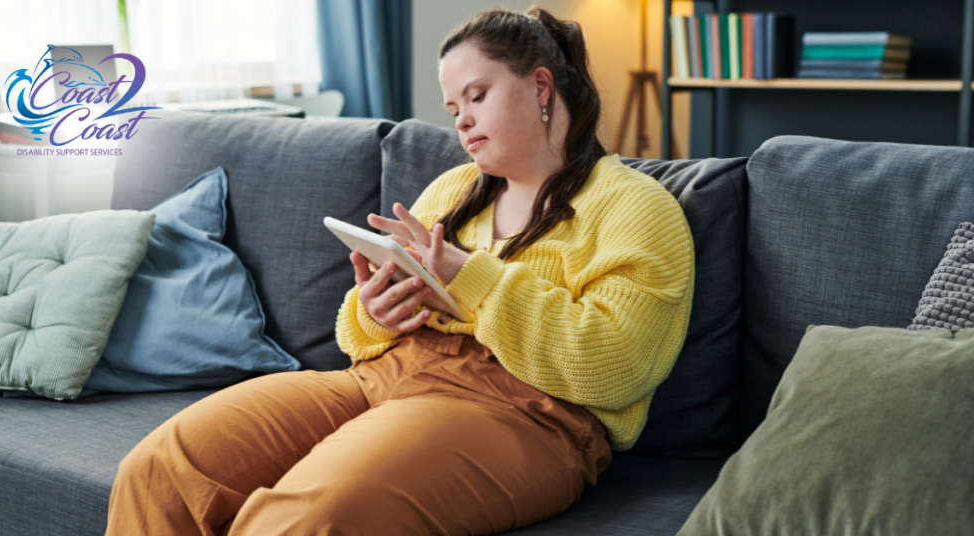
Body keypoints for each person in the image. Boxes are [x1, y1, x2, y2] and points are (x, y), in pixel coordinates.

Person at [104, 6, 695, 535]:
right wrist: (375, 311)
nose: (461, 121)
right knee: (161, 467)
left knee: (309, 517)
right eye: (453, 107)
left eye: (477, 95)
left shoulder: (635, 206)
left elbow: (617, 368)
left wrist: (471, 276)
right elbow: (356, 338)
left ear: (541, 86)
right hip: (381, 379)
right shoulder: (456, 189)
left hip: (522, 412)